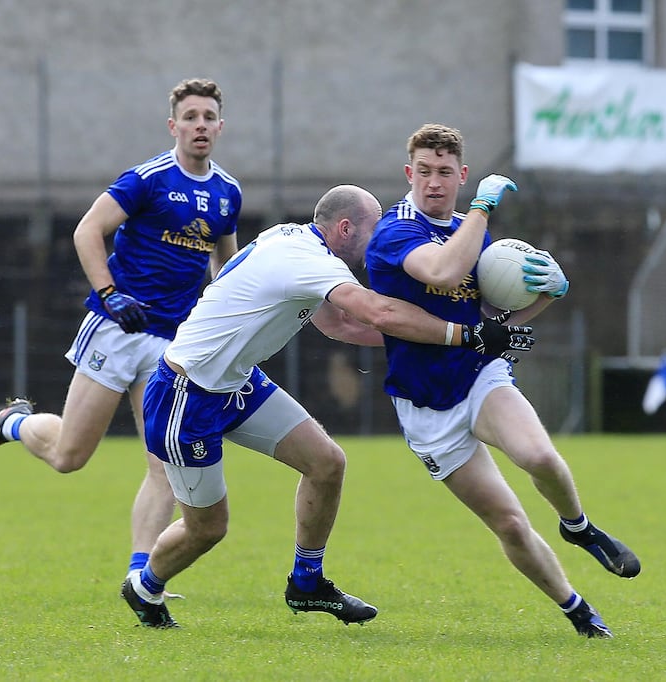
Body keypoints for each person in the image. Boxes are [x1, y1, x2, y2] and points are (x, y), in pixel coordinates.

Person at [120, 182, 533, 628]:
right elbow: (378, 314)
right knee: (208, 529)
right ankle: (144, 587)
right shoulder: (308, 261)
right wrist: (466, 335)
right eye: (376, 229)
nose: (383, 240)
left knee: (327, 463)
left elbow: (342, 326)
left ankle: (307, 583)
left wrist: (456, 338)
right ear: (344, 228)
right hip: (187, 395)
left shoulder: (293, 240)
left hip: (236, 384)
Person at [0, 78, 241, 592]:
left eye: (208, 117)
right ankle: (12, 424)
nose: (200, 125)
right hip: (116, 329)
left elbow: (225, 267)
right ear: (173, 124)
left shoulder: (228, 193)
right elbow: (87, 230)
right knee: (70, 456)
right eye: (191, 116)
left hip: (169, 345)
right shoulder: (147, 179)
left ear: (220, 126)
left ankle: (140, 577)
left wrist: (221, 323)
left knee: (163, 467)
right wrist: (111, 294)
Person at [364, 123, 641, 639]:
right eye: (424, 172)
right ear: (409, 174)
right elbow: (444, 273)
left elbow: (492, 328)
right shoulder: (394, 231)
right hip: (426, 409)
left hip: (478, 377)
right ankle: (578, 610)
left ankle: (577, 526)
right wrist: (483, 207)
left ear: (461, 175)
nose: (434, 183)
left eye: (445, 172)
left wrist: (547, 295)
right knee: (510, 524)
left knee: (539, 457)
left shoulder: (475, 233)